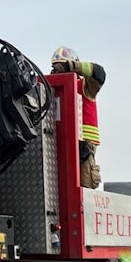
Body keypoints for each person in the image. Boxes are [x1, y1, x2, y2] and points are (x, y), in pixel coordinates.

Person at [51, 46, 106, 189]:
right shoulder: (52, 89)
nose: (58, 72)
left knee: (83, 185)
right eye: (55, 69)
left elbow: (99, 74)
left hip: (84, 146)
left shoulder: (86, 86)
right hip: (60, 142)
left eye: (61, 67)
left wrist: (74, 67)